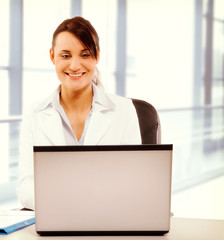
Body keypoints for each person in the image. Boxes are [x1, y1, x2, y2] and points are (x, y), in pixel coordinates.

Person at [17, 16, 141, 210]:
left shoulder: (124, 110)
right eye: (65, 56)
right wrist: (68, 202)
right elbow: (26, 186)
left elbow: (134, 181)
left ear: (97, 56)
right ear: (52, 56)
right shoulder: (34, 113)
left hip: (109, 217)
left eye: (85, 55)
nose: (74, 66)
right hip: (56, 216)